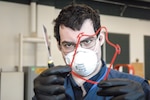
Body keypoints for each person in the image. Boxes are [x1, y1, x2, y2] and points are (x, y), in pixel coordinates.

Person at [33, 3, 150, 100]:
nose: (79, 52)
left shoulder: (136, 88)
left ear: (100, 39)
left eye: (87, 41)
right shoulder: (50, 90)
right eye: (69, 45)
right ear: (59, 46)